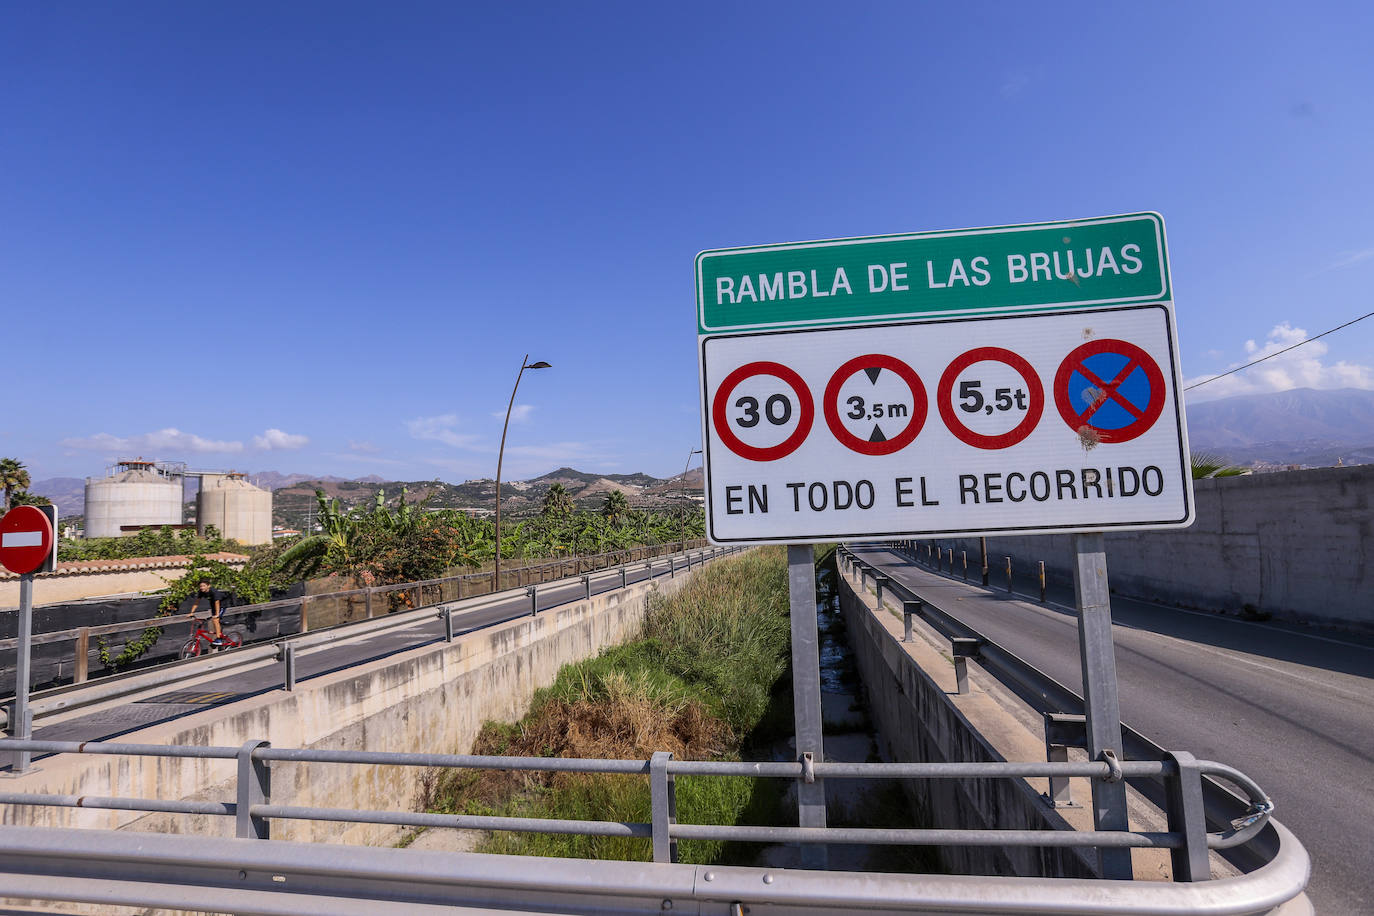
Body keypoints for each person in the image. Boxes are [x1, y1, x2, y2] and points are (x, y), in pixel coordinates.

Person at [187, 578, 224, 644]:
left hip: (222, 605)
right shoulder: (201, 592)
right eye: (201, 586)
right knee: (211, 620)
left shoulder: (214, 592)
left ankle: (219, 639)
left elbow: (217, 603)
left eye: (204, 586)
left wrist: (217, 614)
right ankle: (217, 633)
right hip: (213, 606)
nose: (202, 587)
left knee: (215, 620)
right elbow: (196, 602)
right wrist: (191, 613)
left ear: (208, 586)